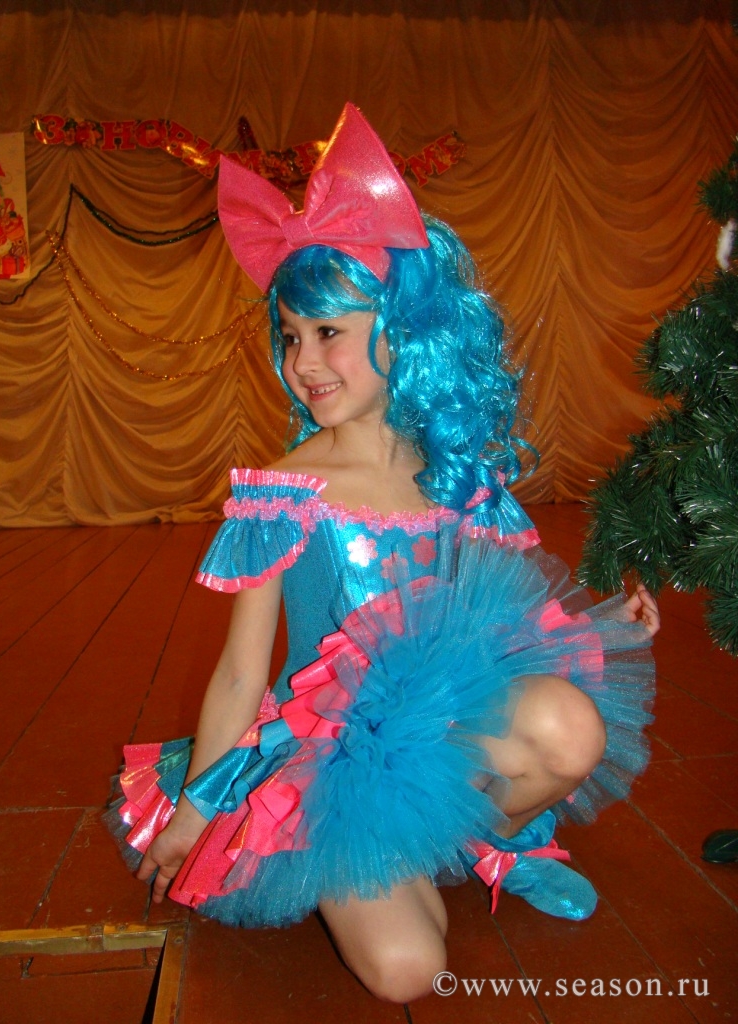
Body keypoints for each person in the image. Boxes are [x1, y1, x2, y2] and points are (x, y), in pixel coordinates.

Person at [106, 103, 659, 1003]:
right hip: (332, 762)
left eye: (328, 332)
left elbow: (514, 612)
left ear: (403, 330)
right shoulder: (285, 489)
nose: (304, 362)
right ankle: (399, 852)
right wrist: (200, 809)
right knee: (407, 972)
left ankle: (477, 839)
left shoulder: (454, 475)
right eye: (290, 336)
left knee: (572, 727)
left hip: (446, 724)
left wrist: (614, 622)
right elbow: (242, 673)